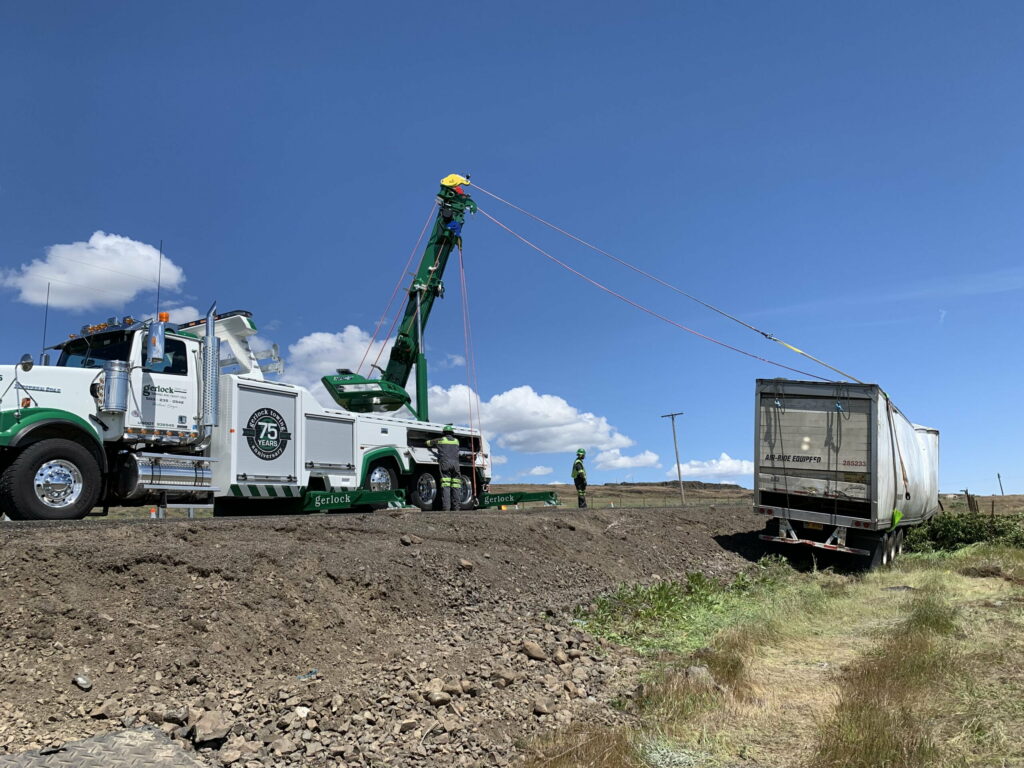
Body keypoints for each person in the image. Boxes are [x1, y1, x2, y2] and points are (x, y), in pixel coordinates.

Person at [426, 424, 461, 511]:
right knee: (456, 486)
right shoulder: (457, 441)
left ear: (444, 433)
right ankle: (456, 508)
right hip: (456, 465)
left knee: (446, 486)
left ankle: (446, 508)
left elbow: (429, 443)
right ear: (452, 433)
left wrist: (427, 442)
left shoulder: (441, 440)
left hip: (445, 464)